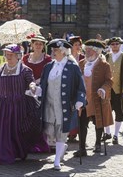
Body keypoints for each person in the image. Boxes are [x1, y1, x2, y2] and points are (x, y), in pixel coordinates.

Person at [0, 44, 49, 164]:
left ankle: (17, 150)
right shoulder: (0, 71)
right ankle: (2, 152)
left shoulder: (25, 70)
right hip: (2, 104)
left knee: (18, 130)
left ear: (18, 56)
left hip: (20, 105)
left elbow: (30, 82)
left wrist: (32, 86)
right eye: (7, 54)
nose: (8, 57)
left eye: (11, 54)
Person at [36, 39, 86, 170]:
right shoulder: (48, 67)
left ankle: (57, 159)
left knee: (61, 131)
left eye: (56, 50)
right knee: (49, 132)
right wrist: (36, 90)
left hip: (63, 105)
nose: (53, 52)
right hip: (48, 104)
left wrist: (80, 100)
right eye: (52, 50)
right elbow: (43, 85)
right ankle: (61, 147)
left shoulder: (72, 67)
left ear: (63, 52)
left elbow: (81, 86)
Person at [74, 39, 113, 157]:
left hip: (97, 98)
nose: (87, 53)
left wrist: (103, 89)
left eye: (90, 51)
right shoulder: (81, 63)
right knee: (81, 123)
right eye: (86, 50)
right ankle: (82, 148)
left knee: (98, 122)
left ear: (96, 52)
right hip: (83, 98)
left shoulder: (104, 65)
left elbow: (109, 81)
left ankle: (97, 144)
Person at [102, 37, 123, 144]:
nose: (115, 46)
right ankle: (107, 132)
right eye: (113, 44)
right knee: (106, 111)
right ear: (110, 45)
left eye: (117, 44)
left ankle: (115, 135)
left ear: (120, 45)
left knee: (119, 112)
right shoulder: (105, 57)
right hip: (107, 89)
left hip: (120, 90)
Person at [67, 36, 85, 142]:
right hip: (69, 85)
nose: (78, 47)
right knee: (69, 108)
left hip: (80, 85)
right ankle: (70, 131)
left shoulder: (83, 57)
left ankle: (76, 131)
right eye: (76, 45)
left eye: (79, 44)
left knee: (78, 109)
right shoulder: (67, 57)